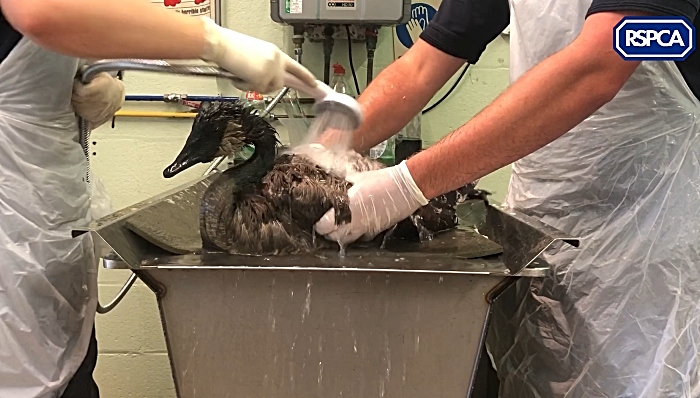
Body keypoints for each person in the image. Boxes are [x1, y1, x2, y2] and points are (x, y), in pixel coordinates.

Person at [314, 0, 700, 396]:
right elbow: (419, 68)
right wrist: (319, 153)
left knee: (638, 380)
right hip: (541, 217)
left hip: (647, 231)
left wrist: (407, 185)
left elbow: (599, 65)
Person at [0, 1, 317, 397]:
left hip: (48, 208)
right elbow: (41, 13)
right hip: (13, 216)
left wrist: (94, 69)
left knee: (66, 370)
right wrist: (213, 41)